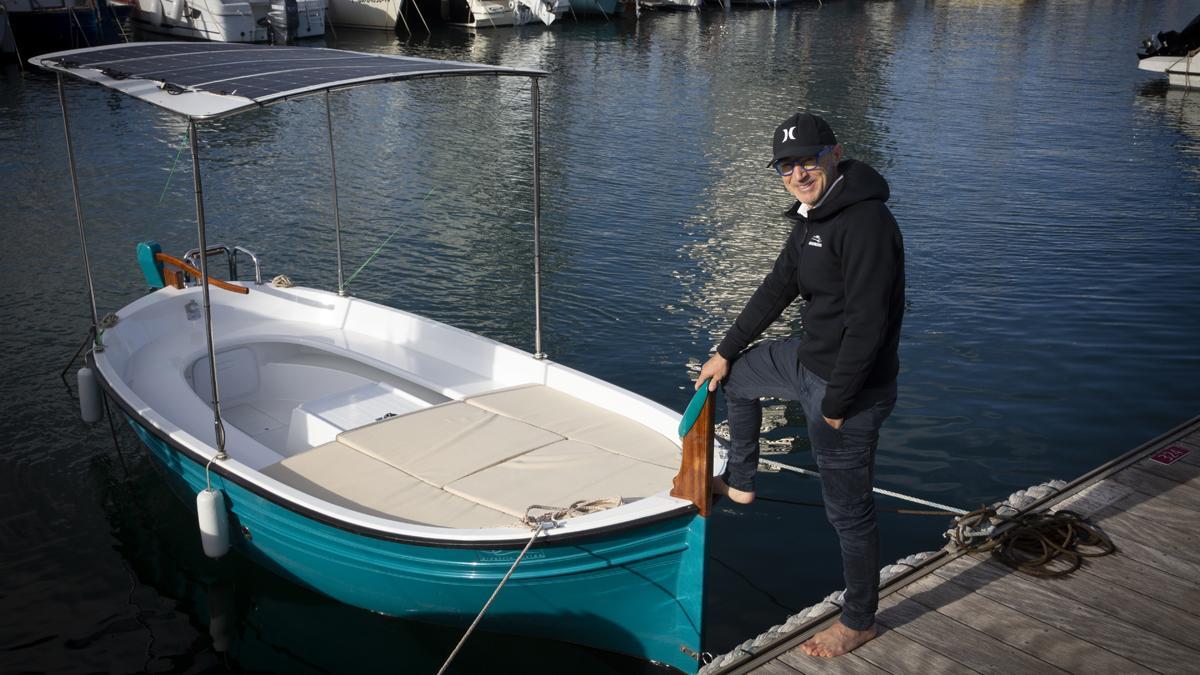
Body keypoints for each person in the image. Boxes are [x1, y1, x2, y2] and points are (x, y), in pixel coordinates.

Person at [696, 112, 904, 658]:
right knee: (737, 379)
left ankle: (859, 621)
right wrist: (724, 350)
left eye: (808, 159)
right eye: (787, 165)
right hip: (805, 362)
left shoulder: (865, 223)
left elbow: (870, 324)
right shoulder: (811, 218)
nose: (798, 172)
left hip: (850, 389)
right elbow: (777, 287)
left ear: (835, 154)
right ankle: (741, 480)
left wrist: (836, 405)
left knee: (848, 513)